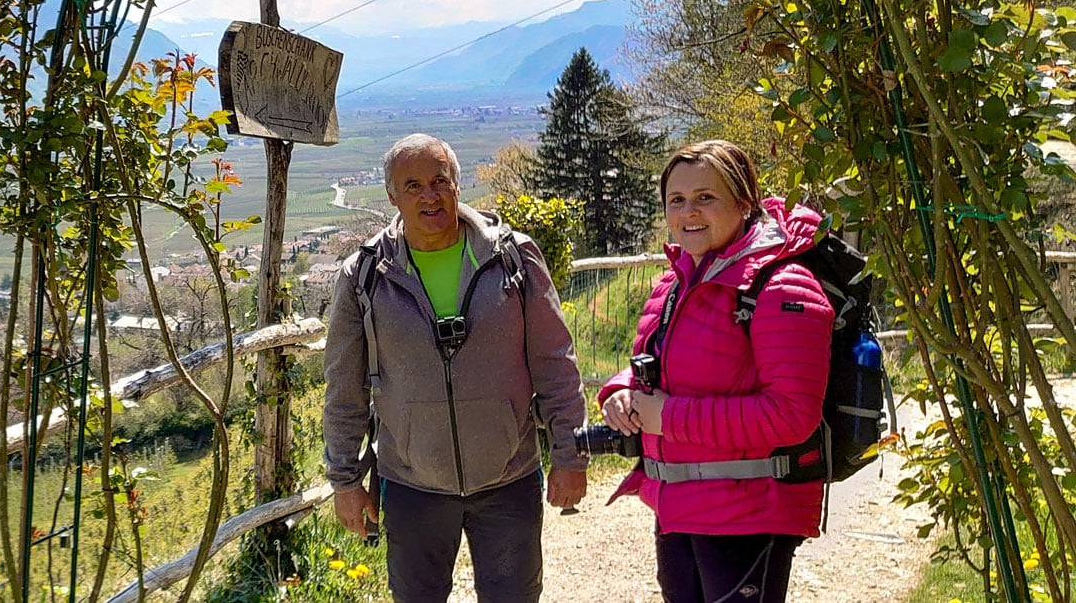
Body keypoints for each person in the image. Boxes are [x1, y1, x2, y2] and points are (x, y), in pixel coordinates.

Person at [323, 133, 589, 602]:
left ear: (457, 185)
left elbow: (555, 363)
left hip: (509, 478)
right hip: (411, 485)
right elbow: (344, 388)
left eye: (440, 180)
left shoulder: (513, 258)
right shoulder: (364, 275)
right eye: (413, 186)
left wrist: (569, 454)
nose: (430, 195)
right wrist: (346, 481)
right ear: (392, 196)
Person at [598, 140, 833, 603]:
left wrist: (668, 417)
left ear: (744, 203)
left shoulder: (780, 286)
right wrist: (621, 392)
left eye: (705, 197)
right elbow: (657, 367)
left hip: (749, 513)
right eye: (677, 200)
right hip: (677, 506)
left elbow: (792, 415)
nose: (689, 212)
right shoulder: (675, 282)